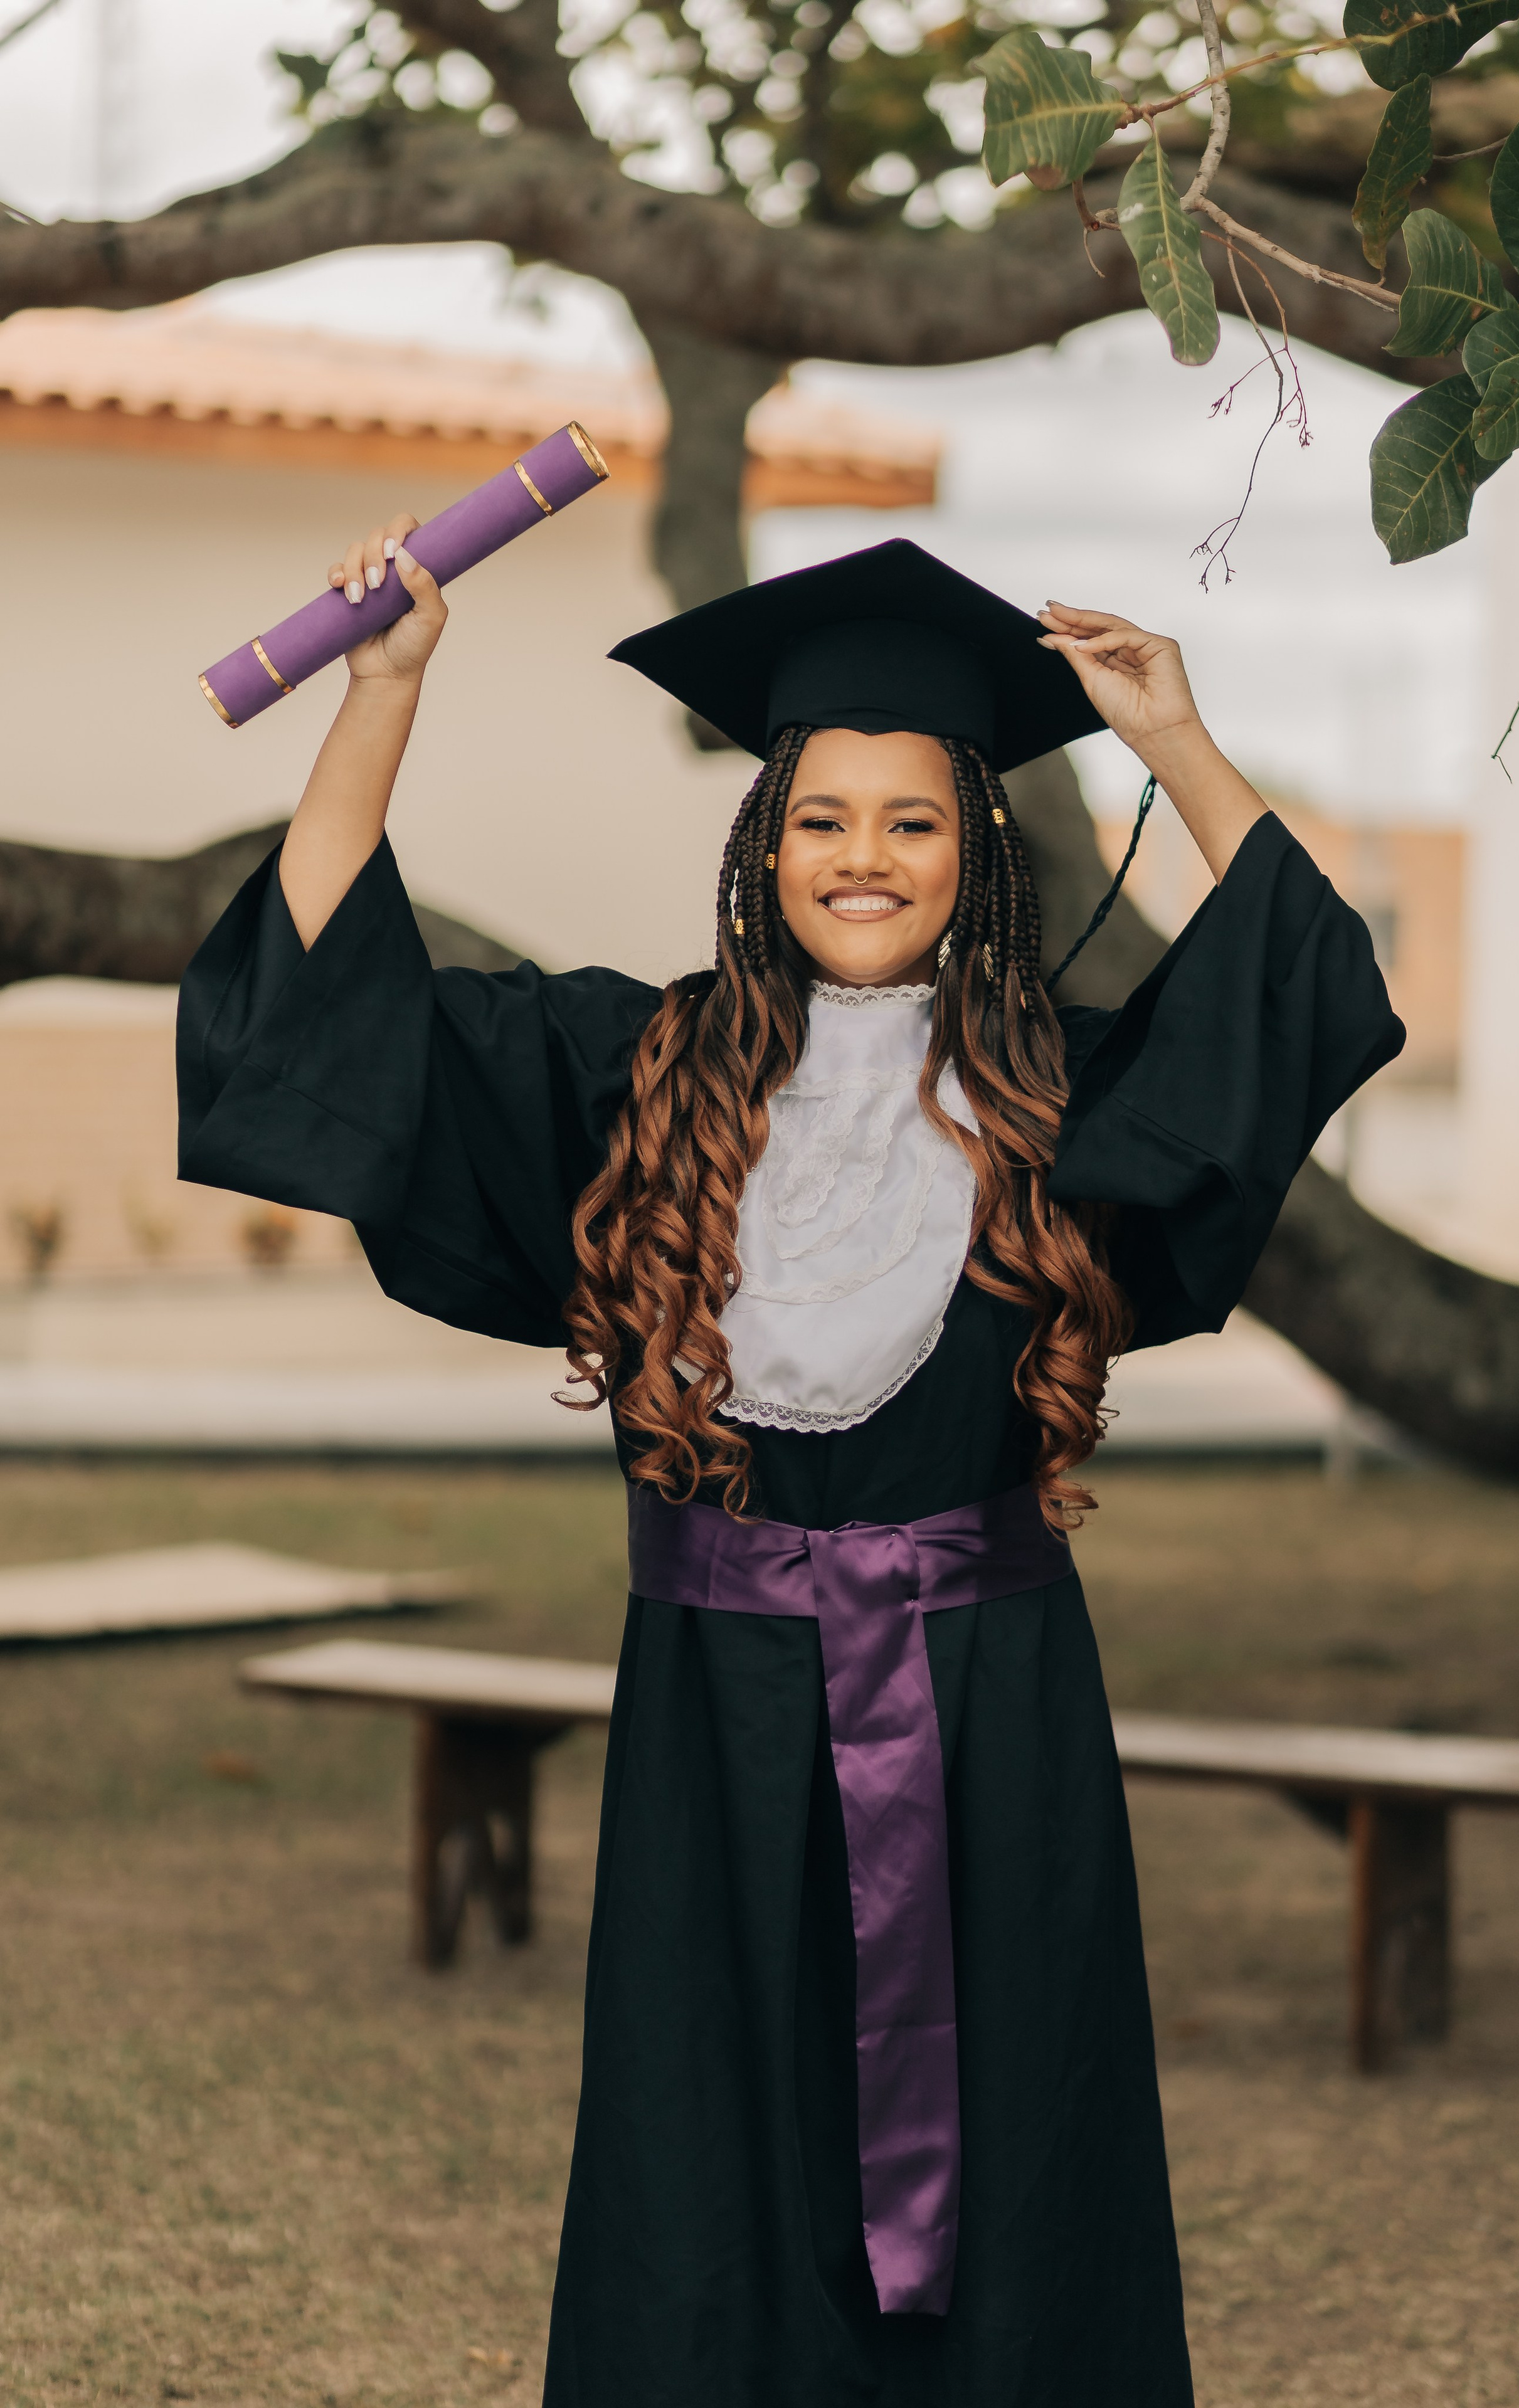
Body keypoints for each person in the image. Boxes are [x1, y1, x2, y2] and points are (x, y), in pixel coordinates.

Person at [178, 522, 1402, 2408]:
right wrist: (387, 691)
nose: (864, 859)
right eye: (823, 819)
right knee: (709, 2137)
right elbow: (332, 1008)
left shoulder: (1057, 1099)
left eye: (914, 823)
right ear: (764, 849)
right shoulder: (636, 1073)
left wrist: (1173, 736)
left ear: (978, 859)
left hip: (990, 1712)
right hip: (715, 1704)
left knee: (1014, 2118)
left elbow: (1295, 997)